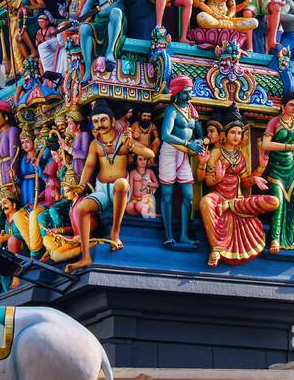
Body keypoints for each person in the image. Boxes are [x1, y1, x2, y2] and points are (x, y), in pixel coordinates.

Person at [67, 99, 155, 272]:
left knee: (121, 183)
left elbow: (150, 153)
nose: (100, 125)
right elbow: (90, 165)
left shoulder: (123, 139)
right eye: (96, 121)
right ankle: (85, 257)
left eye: (103, 120)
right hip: (101, 189)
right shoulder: (95, 145)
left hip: (120, 188)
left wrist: (133, 146)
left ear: (113, 121)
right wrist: (81, 185)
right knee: (82, 208)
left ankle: (115, 233)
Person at [197, 108, 277, 266]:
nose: (236, 136)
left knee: (274, 201)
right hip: (218, 198)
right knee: (205, 202)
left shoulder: (241, 156)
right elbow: (207, 182)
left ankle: (231, 205)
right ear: (224, 135)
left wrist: (259, 171)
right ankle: (216, 248)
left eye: (239, 133)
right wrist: (217, 177)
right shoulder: (216, 152)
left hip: (237, 201)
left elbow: (245, 181)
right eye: (233, 132)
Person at [260, 96, 294, 254]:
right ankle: (275, 239)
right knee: (279, 203)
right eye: (291, 105)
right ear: (283, 106)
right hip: (275, 171)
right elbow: (265, 144)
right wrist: (289, 147)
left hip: (290, 173)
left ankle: (289, 241)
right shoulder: (275, 122)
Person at [159, 75, 203, 248]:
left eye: (190, 91)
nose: (189, 96)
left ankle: (184, 235)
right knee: (167, 195)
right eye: (186, 92)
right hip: (170, 152)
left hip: (185, 155)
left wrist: (200, 142)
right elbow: (165, 135)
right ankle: (169, 235)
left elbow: (199, 133)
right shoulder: (172, 110)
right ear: (177, 93)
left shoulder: (192, 111)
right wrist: (187, 143)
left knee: (189, 196)